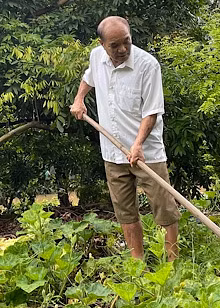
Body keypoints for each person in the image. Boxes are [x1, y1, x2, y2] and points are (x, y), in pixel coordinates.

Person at [70, 16, 179, 261]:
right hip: (112, 151)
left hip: (146, 153)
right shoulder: (96, 57)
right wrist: (79, 99)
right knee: (125, 211)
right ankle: (136, 263)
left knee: (164, 208)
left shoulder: (148, 66)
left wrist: (137, 145)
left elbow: (152, 112)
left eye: (126, 42)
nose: (122, 49)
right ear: (102, 44)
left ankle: (173, 263)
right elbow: (88, 78)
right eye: (114, 45)